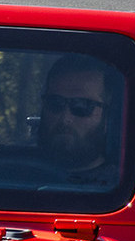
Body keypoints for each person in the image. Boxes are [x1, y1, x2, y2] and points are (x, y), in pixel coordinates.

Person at [38, 54, 118, 185]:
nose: (65, 118)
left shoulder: (121, 187)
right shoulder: (15, 173)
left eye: (81, 106)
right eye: (55, 103)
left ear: (107, 116)